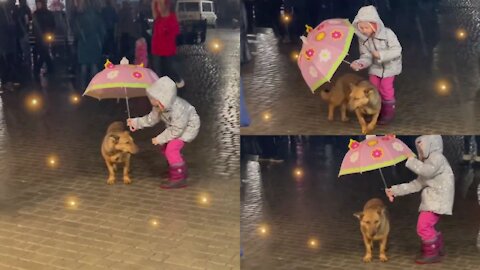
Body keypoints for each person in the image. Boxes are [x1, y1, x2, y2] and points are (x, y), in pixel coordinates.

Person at [385, 135, 454, 264]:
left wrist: (411, 160)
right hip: (433, 199)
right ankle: (436, 245)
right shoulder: (428, 162)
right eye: (419, 147)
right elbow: (417, 184)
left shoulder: (437, 158)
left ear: (431, 144)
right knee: (427, 225)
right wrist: (394, 190)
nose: (420, 149)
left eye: (422, 145)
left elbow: (427, 172)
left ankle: (432, 252)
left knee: (423, 226)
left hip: (438, 198)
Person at [126, 76, 200, 189]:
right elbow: (151, 119)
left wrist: (159, 138)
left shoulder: (178, 109)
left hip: (187, 128)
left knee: (172, 149)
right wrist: (136, 123)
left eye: (154, 99)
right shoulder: (159, 107)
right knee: (166, 149)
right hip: (175, 128)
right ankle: (177, 168)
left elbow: (176, 130)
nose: (152, 102)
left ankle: (178, 178)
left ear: (163, 98)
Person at [350, 5, 402, 125]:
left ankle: (388, 112)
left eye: (365, 27)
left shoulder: (388, 34)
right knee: (373, 89)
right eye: (360, 28)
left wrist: (381, 55)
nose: (363, 30)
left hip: (390, 68)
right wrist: (361, 63)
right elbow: (366, 55)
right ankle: (375, 111)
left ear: (374, 25)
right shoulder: (364, 39)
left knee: (386, 88)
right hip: (375, 68)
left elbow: (397, 50)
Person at [72, 0, 106, 90]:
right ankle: (94, 87)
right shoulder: (97, 16)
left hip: (83, 43)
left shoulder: (80, 17)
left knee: (84, 65)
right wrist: (101, 41)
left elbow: (76, 31)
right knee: (94, 64)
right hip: (95, 42)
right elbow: (103, 31)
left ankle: (83, 87)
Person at [151, 0, 185, 88]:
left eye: (160, 4)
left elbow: (175, 32)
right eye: (157, 5)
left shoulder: (172, 17)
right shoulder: (158, 18)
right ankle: (159, 87)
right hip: (157, 47)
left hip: (168, 48)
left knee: (169, 67)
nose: (159, 7)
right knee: (157, 68)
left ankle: (178, 80)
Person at [32, 0, 55, 80]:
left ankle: (38, 69)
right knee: (44, 52)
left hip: (42, 36)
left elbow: (35, 26)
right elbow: (52, 24)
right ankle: (50, 68)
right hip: (44, 36)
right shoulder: (47, 13)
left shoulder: (37, 14)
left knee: (43, 52)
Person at [0, 0, 17, 92]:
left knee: (7, 62)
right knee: (6, 63)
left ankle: (7, 82)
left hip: (8, 41)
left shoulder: (8, 11)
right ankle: (6, 82)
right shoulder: (6, 11)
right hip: (4, 41)